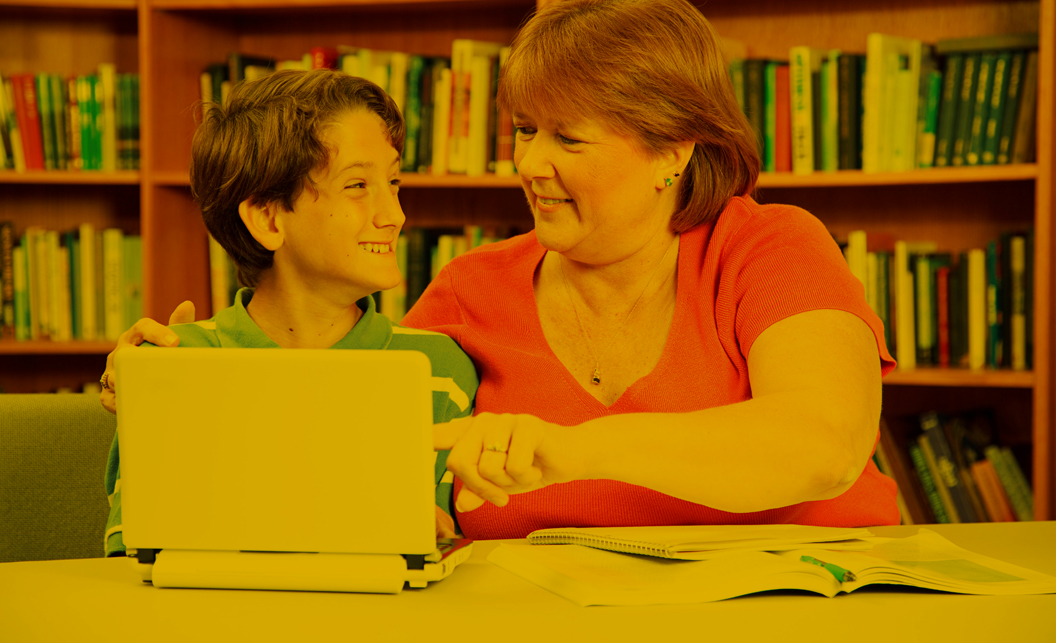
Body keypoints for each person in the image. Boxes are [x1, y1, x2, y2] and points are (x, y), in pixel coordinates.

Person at [101, 0, 898, 541]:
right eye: (525, 130)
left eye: (569, 140)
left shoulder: (767, 245)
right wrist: (177, 393)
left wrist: (572, 450)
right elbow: (339, 450)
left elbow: (823, 442)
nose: (531, 164)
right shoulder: (468, 291)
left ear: (675, 150)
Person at [102, 69, 478, 557]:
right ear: (268, 218)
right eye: (359, 185)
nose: (394, 214)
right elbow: (134, 549)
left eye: (394, 181)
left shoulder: (440, 369)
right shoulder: (173, 364)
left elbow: (435, 554)